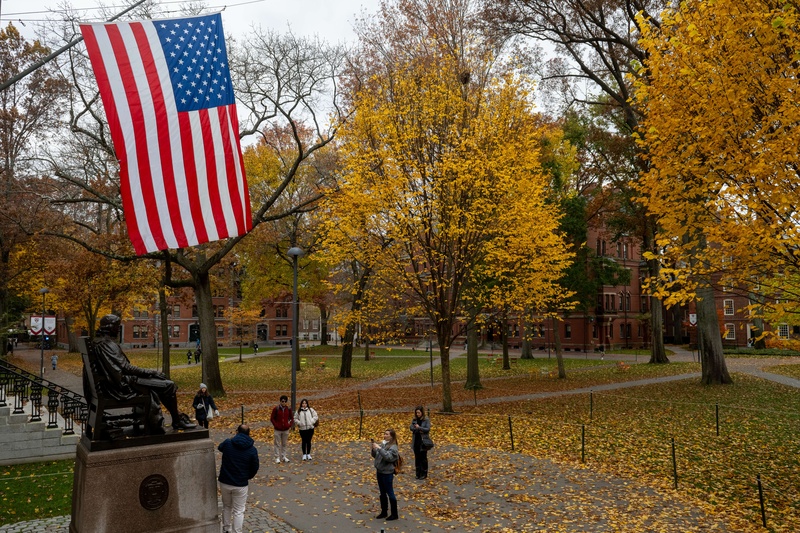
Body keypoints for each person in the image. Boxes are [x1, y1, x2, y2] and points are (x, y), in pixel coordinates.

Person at [89, 314, 195, 431]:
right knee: (168, 385)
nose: (118, 329)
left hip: (113, 383)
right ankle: (176, 421)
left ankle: (175, 419)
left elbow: (122, 367)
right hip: (120, 386)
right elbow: (126, 368)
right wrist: (152, 372)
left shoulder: (98, 342)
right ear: (109, 327)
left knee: (161, 383)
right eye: (117, 326)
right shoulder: (107, 344)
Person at [218, 424, 259, 533]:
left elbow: (219, 447)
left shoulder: (228, 443)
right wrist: (247, 476)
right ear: (248, 433)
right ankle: (237, 531)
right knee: (239, 511)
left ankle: (226, 529)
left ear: (237, 432)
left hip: (225, 481)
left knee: (226, 506)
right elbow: (255, 467)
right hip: (241, 484)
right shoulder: (252, 450)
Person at [371, 428, 400, 521]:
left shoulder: (394, 447)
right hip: (380, 471)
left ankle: (394, 514)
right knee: (382, 493)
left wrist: (379, 448)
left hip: (387, 473)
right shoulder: (383, 444)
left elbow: (388, 457)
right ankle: (384, 512)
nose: (385, 435)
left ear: (391, 436)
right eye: (384, 433)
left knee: (390, 492)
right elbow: (376, 456)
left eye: (387, 434)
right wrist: (374, 449)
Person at [270, 395, 293, 463]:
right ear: (280, 401)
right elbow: (272, 418)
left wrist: (289, 425)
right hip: (278, 429)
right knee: (277, 443)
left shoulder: (288, 409)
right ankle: (277, 457)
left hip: (285, 429)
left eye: (285, 401)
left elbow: (291, 418)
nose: (284, 403)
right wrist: (276, 425)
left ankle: (284, 456)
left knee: (284, 443)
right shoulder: (276, 409)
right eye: (282, 401)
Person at [409, 405, 431, 479]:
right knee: (417, 457)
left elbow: (427, 429)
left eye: (419, 412)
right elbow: (411, 427)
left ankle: (424, 473)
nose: (417, 414)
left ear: (422, 412)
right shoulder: (414, 419)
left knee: (423, 457)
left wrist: (419, 428)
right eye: (416, 413)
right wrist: (415, 428)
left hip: (423, 441)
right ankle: (417, 472)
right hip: (416, 440)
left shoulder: (426, 420)